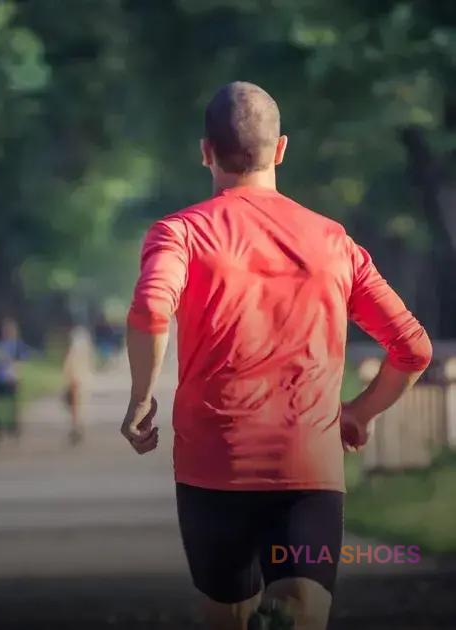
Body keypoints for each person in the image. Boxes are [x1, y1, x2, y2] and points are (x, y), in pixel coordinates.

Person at [120, 82, 432, 630]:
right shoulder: (334, 241)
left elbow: (150, 310)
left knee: (227, 613)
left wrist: (141, 398)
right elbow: (412, 348)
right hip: (306, 467)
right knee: (302, 606)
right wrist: (359, 412)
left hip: (211, 468)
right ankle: (290, 611)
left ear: (205, 152)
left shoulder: (181, 234)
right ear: (281, 149)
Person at [0, 317, 30, 447]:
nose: (8, 332)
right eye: (6, 330)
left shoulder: (17, 346)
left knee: (11, 406)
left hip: (11, 380)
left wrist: (17, 377)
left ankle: (12, 428)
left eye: (11, 330)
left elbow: (20, 363)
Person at [62, 324, 94, 446]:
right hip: (80, 381)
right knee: (78, 407)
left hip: (76, 382)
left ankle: (76, 428)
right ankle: (77, 427)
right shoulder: (84, 352)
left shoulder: (74, 352)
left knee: (75, 408)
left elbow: (68, 368)